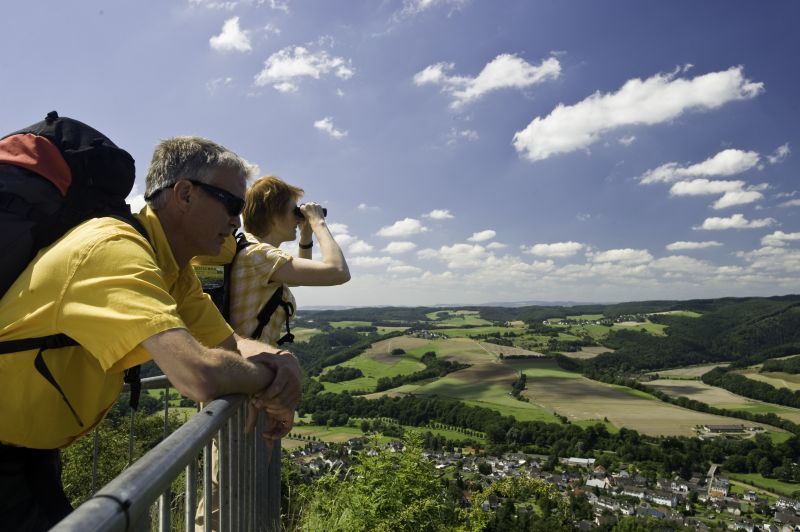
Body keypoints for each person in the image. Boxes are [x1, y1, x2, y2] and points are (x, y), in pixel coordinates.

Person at [0, 136, 301, 530]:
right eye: (231, 204)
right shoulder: (113, 251)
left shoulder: (172, 268)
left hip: (31, 450)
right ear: (185, 194)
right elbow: (199, 373)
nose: (237, 220)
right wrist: (273, 380)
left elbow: (228, 343)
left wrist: (282, 358)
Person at [196, 175, 350, 530]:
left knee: (234, 485)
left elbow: (296, 277)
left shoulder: (252, 253)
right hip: (244, 385)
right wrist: (318, 221)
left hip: (244, 381)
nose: (297, 217)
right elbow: (337, 272)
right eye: (293, 211)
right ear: (273, 212)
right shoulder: (259, 254)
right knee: (227, 494)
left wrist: (306, 236)